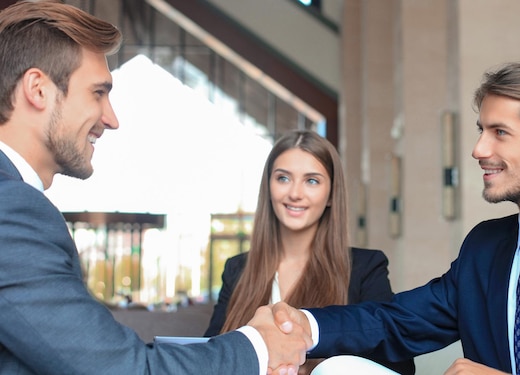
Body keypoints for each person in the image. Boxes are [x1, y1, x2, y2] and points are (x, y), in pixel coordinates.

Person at [0, 2, 310, 374]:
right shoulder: (11, 207)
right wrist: (259, 346)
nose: (111, 119)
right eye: (98, 92)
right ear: (38, 89)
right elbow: (120, 368)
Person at [268, 62, 520, 375]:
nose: (479, 150)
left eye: (499, 132)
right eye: (481, 130)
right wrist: (304, 326)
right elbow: (397, 322)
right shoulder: (484, 247)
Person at [203, 129, 415, 375]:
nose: (294, 193)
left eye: (311, 180)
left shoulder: (365, 268)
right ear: (268, 186)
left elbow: (398, 366)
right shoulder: (237, 269)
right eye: (283, 178)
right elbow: (207, 355)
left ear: (330, 195)